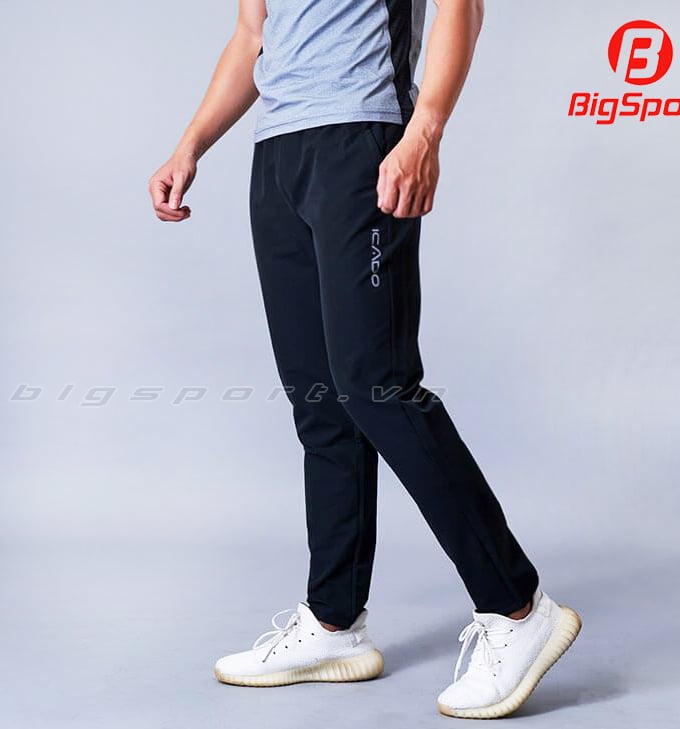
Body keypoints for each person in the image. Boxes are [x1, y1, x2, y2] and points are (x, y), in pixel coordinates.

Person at [149, 0, 581, 718]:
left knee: (378, 388)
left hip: (362, 137)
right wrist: (189, 144)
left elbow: (462, 8)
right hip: (278, 153)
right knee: (320, 401)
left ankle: (518, 607)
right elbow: (253, 35)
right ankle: (334, 625)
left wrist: (424, 131)